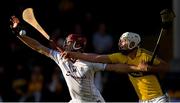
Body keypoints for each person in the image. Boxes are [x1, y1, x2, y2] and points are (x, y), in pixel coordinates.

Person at [10, 16, 147, 103]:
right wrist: (19, 35)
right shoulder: (60, 58)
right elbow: (38, 47)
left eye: (69, 43)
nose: (65, 45)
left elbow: (114, 67)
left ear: (77, 45)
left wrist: (136, 68)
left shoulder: (88, 62)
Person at [62, 9, 174, 102]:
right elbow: (96, 58)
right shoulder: (120, 57)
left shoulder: (145, 55)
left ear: (132, 43)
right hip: (142, 100)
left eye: (124, 41)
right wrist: (72, 54)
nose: (120, 43)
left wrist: (151, 68)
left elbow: (167, 67)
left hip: (159, 98)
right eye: (120, 41)